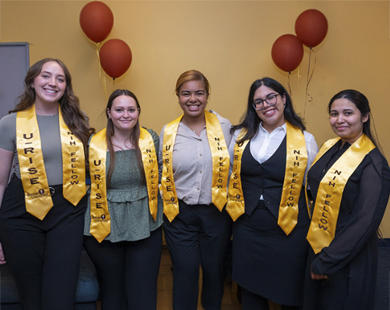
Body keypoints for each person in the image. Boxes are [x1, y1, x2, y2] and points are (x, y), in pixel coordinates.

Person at [0, 58, 92, 309]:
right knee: (31, 295)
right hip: (21, 211)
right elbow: (0, 182)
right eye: (46, 76)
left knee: (60, 293)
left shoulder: (77, 121)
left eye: (60, 79)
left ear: (66, 86)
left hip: (67, 210)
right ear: (32, 81)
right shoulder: (10, 124)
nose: (53, 83)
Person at [226, 77, 318, 310]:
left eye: (271, 97)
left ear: (283, 98)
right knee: (251, 293)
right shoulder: (239, 138)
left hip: (289, 232)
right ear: (253, 107)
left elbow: (311, 187)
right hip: (248, 229)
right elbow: (229, 175)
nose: (266, 105)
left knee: (290, 293)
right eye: (258, 102)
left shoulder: (305, 140)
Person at [303, 89, 390, 310]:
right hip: (318, 245)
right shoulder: (330, 147)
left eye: (348, 113)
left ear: (364, 116)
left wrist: (326, 260)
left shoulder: (374, 163)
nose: (339, 120)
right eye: (334, 114)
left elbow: (365, 221)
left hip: (346, 254)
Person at [159, 70, 232, 310]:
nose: (193, 99)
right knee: (185, 271)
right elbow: (161, 171)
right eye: (186, 93)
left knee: (214, 273)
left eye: (199, 93)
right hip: (180, 215)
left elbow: (236, 167)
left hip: (216, 213)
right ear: (178, 96)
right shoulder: (168, 132)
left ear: (207, 95)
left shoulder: (224, 127)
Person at [84, 89, 163, 310]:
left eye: (131, 109)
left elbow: (161, 171)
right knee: (112, 293)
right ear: (109, 112)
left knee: (143, 293)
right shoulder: (94, 143)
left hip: (145, 222)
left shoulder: (150, 138)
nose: (125, 115)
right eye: (119, 110)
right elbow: (82, 178)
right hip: (105, 224)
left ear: (138, 112)